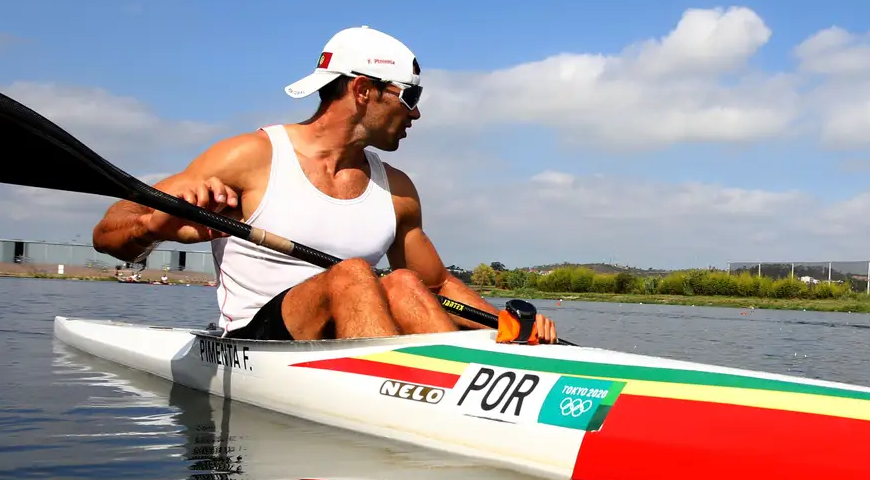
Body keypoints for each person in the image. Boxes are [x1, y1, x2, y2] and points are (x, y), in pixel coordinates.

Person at [93, 26, 555, 343]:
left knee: (406, 282)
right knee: (354, 273)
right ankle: (410, 394)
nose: (416, 113)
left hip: (349, 340)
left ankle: (463, 385)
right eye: (409, 96)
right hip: (256, 343)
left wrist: (509, 326)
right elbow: (109, 233)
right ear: (362, 90)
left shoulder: (396, 189)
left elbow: (437, 285)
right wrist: (154, 224)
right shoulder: (250, 157)